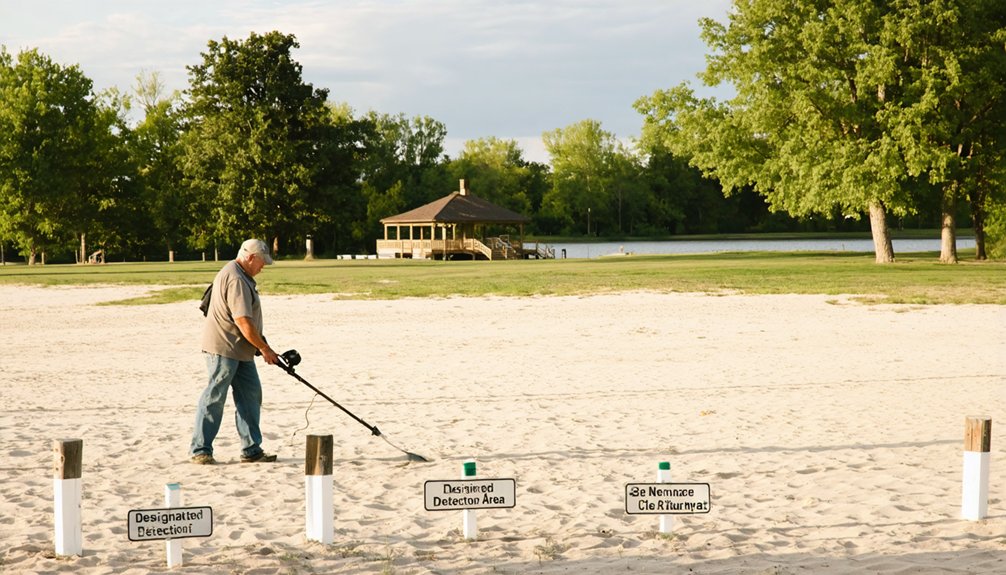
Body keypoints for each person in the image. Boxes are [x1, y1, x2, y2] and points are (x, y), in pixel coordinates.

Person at [190, 239, 280, 464]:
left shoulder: (239, 273)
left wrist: (260, 344)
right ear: (250, 257)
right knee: (215, 396)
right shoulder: (237, 278)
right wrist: (264, 348)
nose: (263, 266)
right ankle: (200, 450)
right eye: (262, 261)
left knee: (250, 395)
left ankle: (251, 449)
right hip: (224, 348)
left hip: (241, 348)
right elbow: (243, 321)